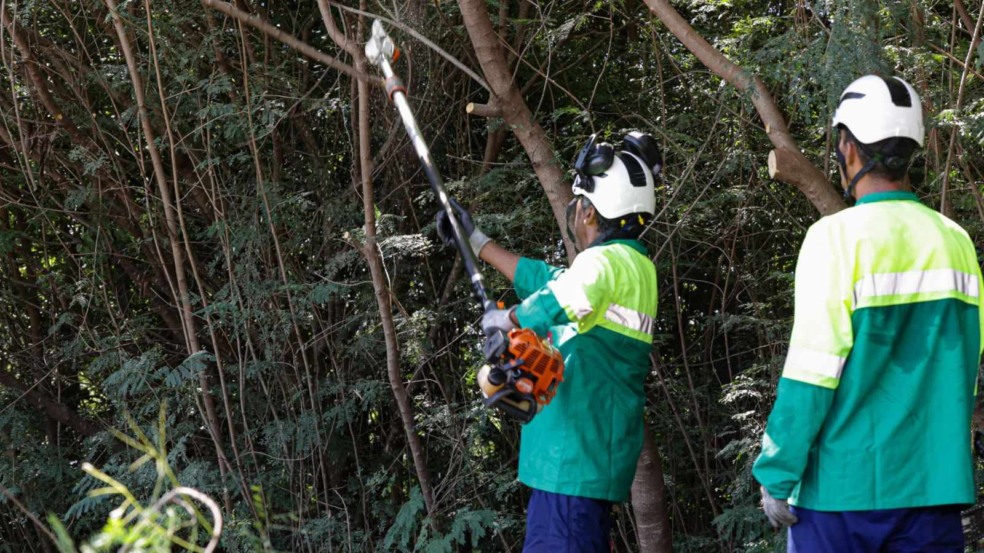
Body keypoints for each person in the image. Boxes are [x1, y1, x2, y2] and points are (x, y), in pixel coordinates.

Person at [752, 74, 984, 552]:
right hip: (934, 493)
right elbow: (966, 366)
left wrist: (777, 473)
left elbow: (811, 374)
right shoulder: (955, 241)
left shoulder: (834, 239)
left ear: (848, 149)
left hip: (841, 495)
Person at [437, 132, 662, 552]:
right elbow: (550, 280)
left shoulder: (604, 263)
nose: (574, 213)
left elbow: (563, 295)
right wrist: (478, 242)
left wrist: (508, 318)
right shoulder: (633, 266)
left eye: (578, 204)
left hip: (570, 464)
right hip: (586, 465)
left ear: (590, 212)